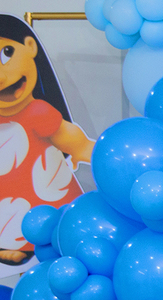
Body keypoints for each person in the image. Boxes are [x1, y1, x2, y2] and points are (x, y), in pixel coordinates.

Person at [0, 15, 93, 270]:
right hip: (8, 204)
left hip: (50, 196)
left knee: (56, 220)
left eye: (6, 54)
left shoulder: (38, 112)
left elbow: (76, 143)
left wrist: (98, 155)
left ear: (30, 46)